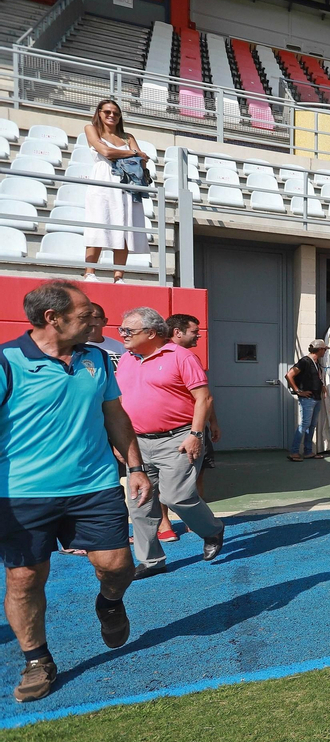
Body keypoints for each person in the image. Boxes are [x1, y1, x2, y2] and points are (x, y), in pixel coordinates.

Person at [2, 281, 150, 702]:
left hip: (95, 485)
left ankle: (109, 603)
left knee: (118, 565)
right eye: (86, 314)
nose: (96, 320)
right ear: (53, 318)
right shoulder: (6, 361)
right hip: (22, 493)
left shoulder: (98, 360)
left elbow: (115, 415)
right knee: (25, 577)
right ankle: (37, 660)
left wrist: (135, 467)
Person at [116, 307, 226, 579]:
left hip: (177, 439)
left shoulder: (181, 356)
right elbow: (118, 402)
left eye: (129, 330)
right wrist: (119, 442)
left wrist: (196, 434)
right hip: (137, 442)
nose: (123, 335)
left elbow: (203, 398)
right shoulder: (127, 360)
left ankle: (212, 530)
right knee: (139, 503)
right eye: (122, 330)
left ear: (152, 333)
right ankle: (150, 561)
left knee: (176, 496)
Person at [154, 313, 218, 542]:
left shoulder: (190, 358)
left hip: (195, 430)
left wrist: (212, 421)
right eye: (194, 331)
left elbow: (203, 395)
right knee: (163, 481)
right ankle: (164, 523)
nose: (199, 335)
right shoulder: (155, 357)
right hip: (167, 434)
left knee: (197, 474)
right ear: (177, 332)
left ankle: (195, 520)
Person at [82, 99, 150, 283]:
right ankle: (90, 272)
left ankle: (118, 276)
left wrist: (134, 155)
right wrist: (133, 154)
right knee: (98, 222)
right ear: (99, 113)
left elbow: (143, 160)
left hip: (127, 182)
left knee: (124, 225)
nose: (112, 115)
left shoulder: (128, 136)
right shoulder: (91, 129)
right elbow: (106, 152)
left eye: (116, 113)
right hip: (103, 180)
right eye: (107, 112)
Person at [285, 339, 328, 461]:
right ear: (320, 349)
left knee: (311, 425)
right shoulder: (305, 361)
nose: (325, 352)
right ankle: (294, 452)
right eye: (324, 349)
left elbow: (315, 378)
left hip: (315, 397)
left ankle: (308, 451)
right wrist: (299, 391)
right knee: (304, 424)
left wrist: (322, 387)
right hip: (308, 399)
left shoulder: (316, 362)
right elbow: (289, 375)